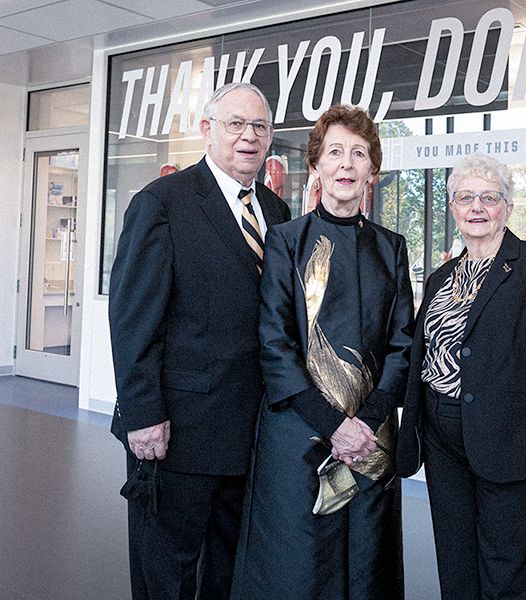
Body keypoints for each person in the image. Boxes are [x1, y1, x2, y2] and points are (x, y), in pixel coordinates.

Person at [108, 82, 292, 599]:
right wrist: (142, 414)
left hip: (250, 436)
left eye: (259, 126)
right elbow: (132, 318)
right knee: (165, 572)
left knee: (228, 573)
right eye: (235, 123)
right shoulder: (162, 203)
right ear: (207, 130)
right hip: (176, 434)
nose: (248, 137)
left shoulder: (277, 215)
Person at [230, 104, 414, 599]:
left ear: (372, 170)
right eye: (335, 152)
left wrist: (366, 423)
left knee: (367, 568)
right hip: (299, 435)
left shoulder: (392, 248)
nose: (346, 165)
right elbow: (274, 344)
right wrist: (334, 425)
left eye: (358, 153)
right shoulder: (286, 242)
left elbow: (403, 345)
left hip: (371, 441)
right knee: (299, 569)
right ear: (316, 166)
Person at [396, 153, 526, 600]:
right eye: (465, 198)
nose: (477, 207)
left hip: (512, 449)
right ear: (453, 207)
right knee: (456, 568)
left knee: (510, 575)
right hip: (443, 447)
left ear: (508, 207)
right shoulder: (441, 277)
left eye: (489, 198)